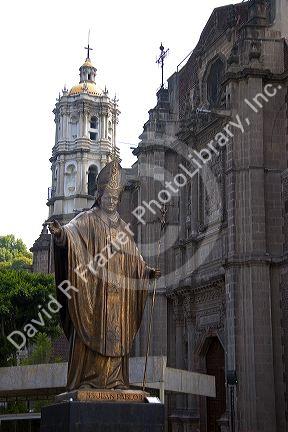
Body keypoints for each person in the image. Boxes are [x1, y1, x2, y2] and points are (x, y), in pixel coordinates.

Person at [48, 160, 160, 391]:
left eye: (115, 198)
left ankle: (116, 381)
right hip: (94, 293)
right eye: (108, 197)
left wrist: (145, 271)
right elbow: (71, 232)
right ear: (99, 196)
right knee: (89, 333)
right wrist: (60, 234)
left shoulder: (121, 227)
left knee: (117, 337)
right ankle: (87, 380)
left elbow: (134, 256)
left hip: (118, 300)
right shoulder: (87, 219)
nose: (112, 201)